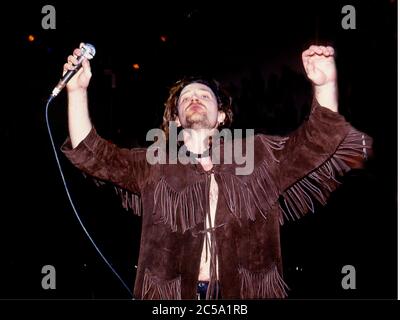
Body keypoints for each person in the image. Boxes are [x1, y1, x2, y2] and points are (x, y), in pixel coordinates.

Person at [61, 44, 372, 299]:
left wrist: (325, 84)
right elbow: (90, 153)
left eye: (204, 96)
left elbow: (318, 140)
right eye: (186, 99)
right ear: (178, 119)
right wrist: (76, 91)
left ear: (221, 115)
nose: (195, 99)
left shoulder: (258, 153)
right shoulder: (152, 162)